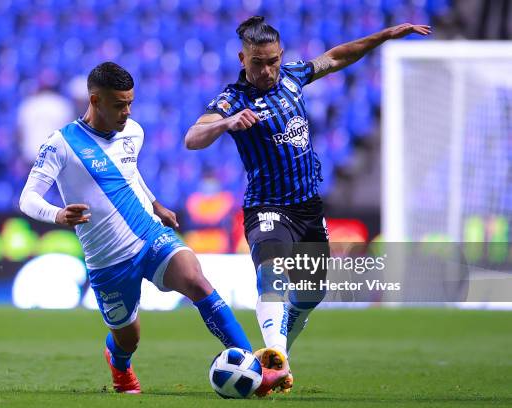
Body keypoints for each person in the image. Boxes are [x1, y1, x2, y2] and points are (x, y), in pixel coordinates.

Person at [184, 16, 431, 392]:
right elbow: (192, 138)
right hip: (266, 207)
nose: (266, 70)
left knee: (311, 293)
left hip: (307, 208)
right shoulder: (230, 100)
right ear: (241, 58)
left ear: (280, 55)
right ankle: (274, 360)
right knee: (272, 273)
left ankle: (279, 357)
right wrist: (227, 123)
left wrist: (383, 35)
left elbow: (335, 57)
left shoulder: (293, 76)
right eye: (257, 63)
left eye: (272, 61)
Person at [19, 62, 287, 396]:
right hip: (108, 260)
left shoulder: (133, 132)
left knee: (197, 281)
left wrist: (155, 203)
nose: (127, 112)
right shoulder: (61, 144)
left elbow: (129, 174)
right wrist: (58, 215)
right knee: (128, 338)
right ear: (95, 100)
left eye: (130, 103)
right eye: (119, 105)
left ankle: (256, 371)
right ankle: (119, 361)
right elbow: (27, 198)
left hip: (148, 235)